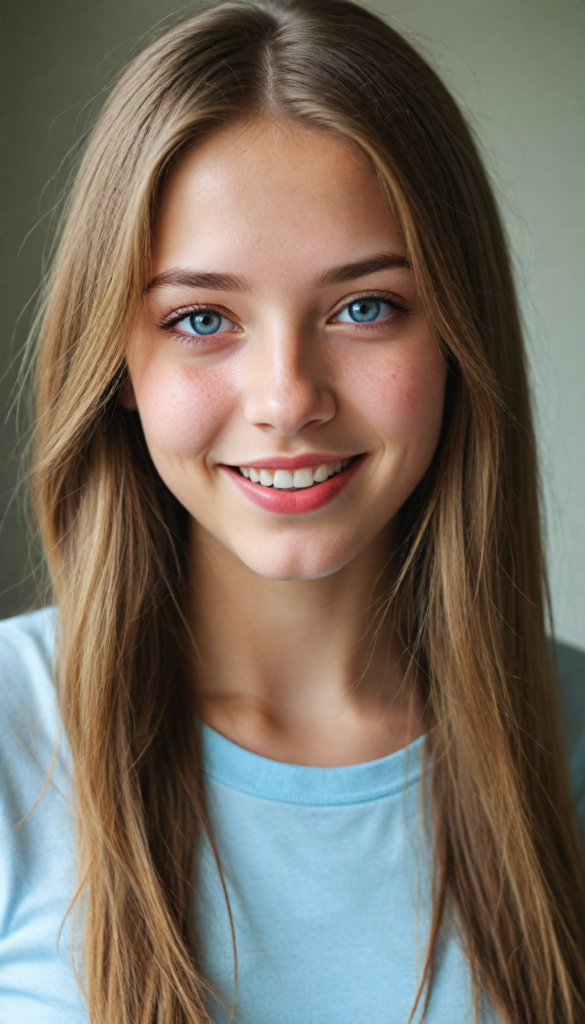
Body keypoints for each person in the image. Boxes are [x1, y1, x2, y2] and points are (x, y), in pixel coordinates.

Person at [0, 1, 584, 1021]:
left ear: (458, 334)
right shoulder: (12, 730)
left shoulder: (571, 739)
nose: (287, 398)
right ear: (117, 365)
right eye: (201, 318)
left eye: (365, 307)